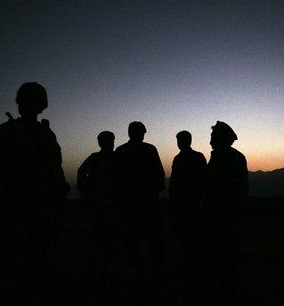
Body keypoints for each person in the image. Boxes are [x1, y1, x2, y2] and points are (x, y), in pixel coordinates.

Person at [0, 82, 70, 305]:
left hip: (36, 211)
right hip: (12, 212)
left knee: (31, 265)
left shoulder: (42, 134)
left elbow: (56, 172)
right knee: (12, 268)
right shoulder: (7, 133)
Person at [115, 121, 166, 297]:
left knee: (134, 243)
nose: (142, 135)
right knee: (151, 242)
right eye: (141, 132)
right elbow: (159, 176)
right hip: (146, 204)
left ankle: (138, 278)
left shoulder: (121, 151)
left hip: (132, 205)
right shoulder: (149, 150)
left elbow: (117, 180)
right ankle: (153, 277)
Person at [202, 121, 248, 304]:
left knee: (219, 253)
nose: (210, 139)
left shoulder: (221, 157)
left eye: (213, 136)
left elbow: (212, 187)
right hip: (231, 214)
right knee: (229, 254)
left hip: (219, 214)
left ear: (220, 138)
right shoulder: (237, 156)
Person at [76, 131, 120, 303]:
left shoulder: (98, 158)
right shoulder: (109, 158)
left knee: (102, 240)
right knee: (103, 240)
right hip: (103, 206)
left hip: (104, 205)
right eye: (110, 140)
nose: (112, 143)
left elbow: (81, 174)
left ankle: (101, 273)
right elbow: (81, 174)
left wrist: (85, 194)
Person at [169, 130, 207, 298]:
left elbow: (176, 183)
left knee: (188, 236)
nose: (179, 143)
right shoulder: (198, 157)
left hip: (187, 204)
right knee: (191, 236)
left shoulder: (181, 159)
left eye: (179, 140)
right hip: (191, 204)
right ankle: (194, 267)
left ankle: (191, 268)